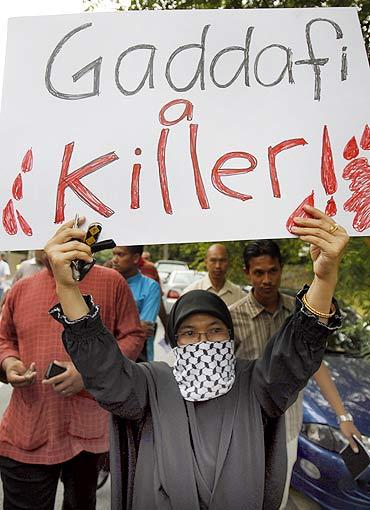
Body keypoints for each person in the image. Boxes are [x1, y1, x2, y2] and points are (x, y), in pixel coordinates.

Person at [45, 206, 347, 510]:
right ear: (176, 342)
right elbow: (104, 370)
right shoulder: (151, 384)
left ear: (230, 337)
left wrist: (324, 279)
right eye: (189, 333)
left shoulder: (255, 383)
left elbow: (295, 355)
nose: (202, 341)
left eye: (215, 330)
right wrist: (67, 287)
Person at [0, 256, 145, 510]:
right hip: (28, 426)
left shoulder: (112, 282)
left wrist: (89, 373)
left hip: (89, 430)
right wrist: (10, 363)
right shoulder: (22, 288)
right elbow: (4, 338)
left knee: (81, 503)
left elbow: (132, 335)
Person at [229, 239, 361, 508]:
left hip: (288, 429)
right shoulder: (231, 318)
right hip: (246, 429)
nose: (267, 279)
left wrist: (343, 416)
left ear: (280, 269)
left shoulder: (302, 314)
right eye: (258, 273)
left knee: (277, 496)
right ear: (246, 273)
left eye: (272, 271)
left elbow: (316, 365)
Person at [112, 245, 161, 361]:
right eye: (113, 254)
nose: (114, 259)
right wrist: (133, 325)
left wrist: (111, 326)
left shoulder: (151, 286)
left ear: (135, 258)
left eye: (120, 254)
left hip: (139, 357)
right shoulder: (106, 284)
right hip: (107, 357)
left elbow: (144, 329)